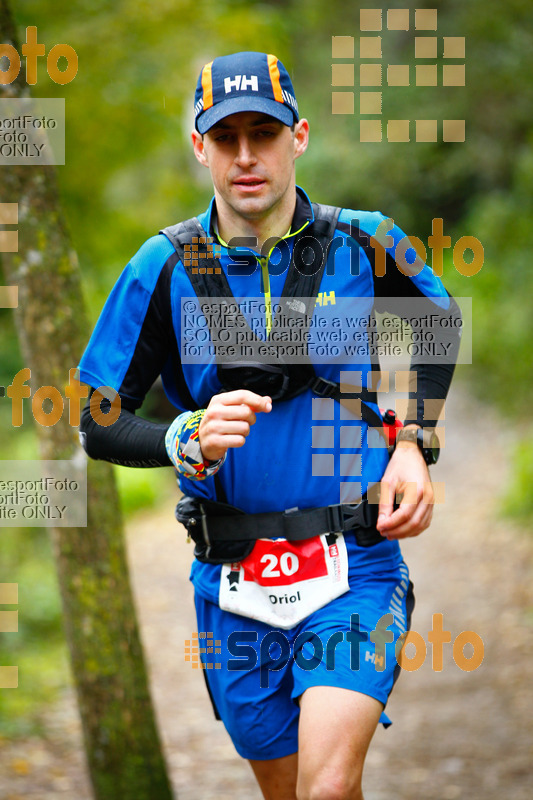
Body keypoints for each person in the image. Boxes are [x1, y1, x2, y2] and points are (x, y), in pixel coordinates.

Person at [78, 51, 461, 800]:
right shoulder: (163, 264)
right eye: (226, 138)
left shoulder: (363, 240)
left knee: (324, 786)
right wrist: (179, 436)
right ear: (200, 147)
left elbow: (440, 321)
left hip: (354, 561)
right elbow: (96, 417)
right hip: (232, 578)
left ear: (300, 137)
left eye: (264, 133)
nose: (246, 156)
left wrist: (414, 443)